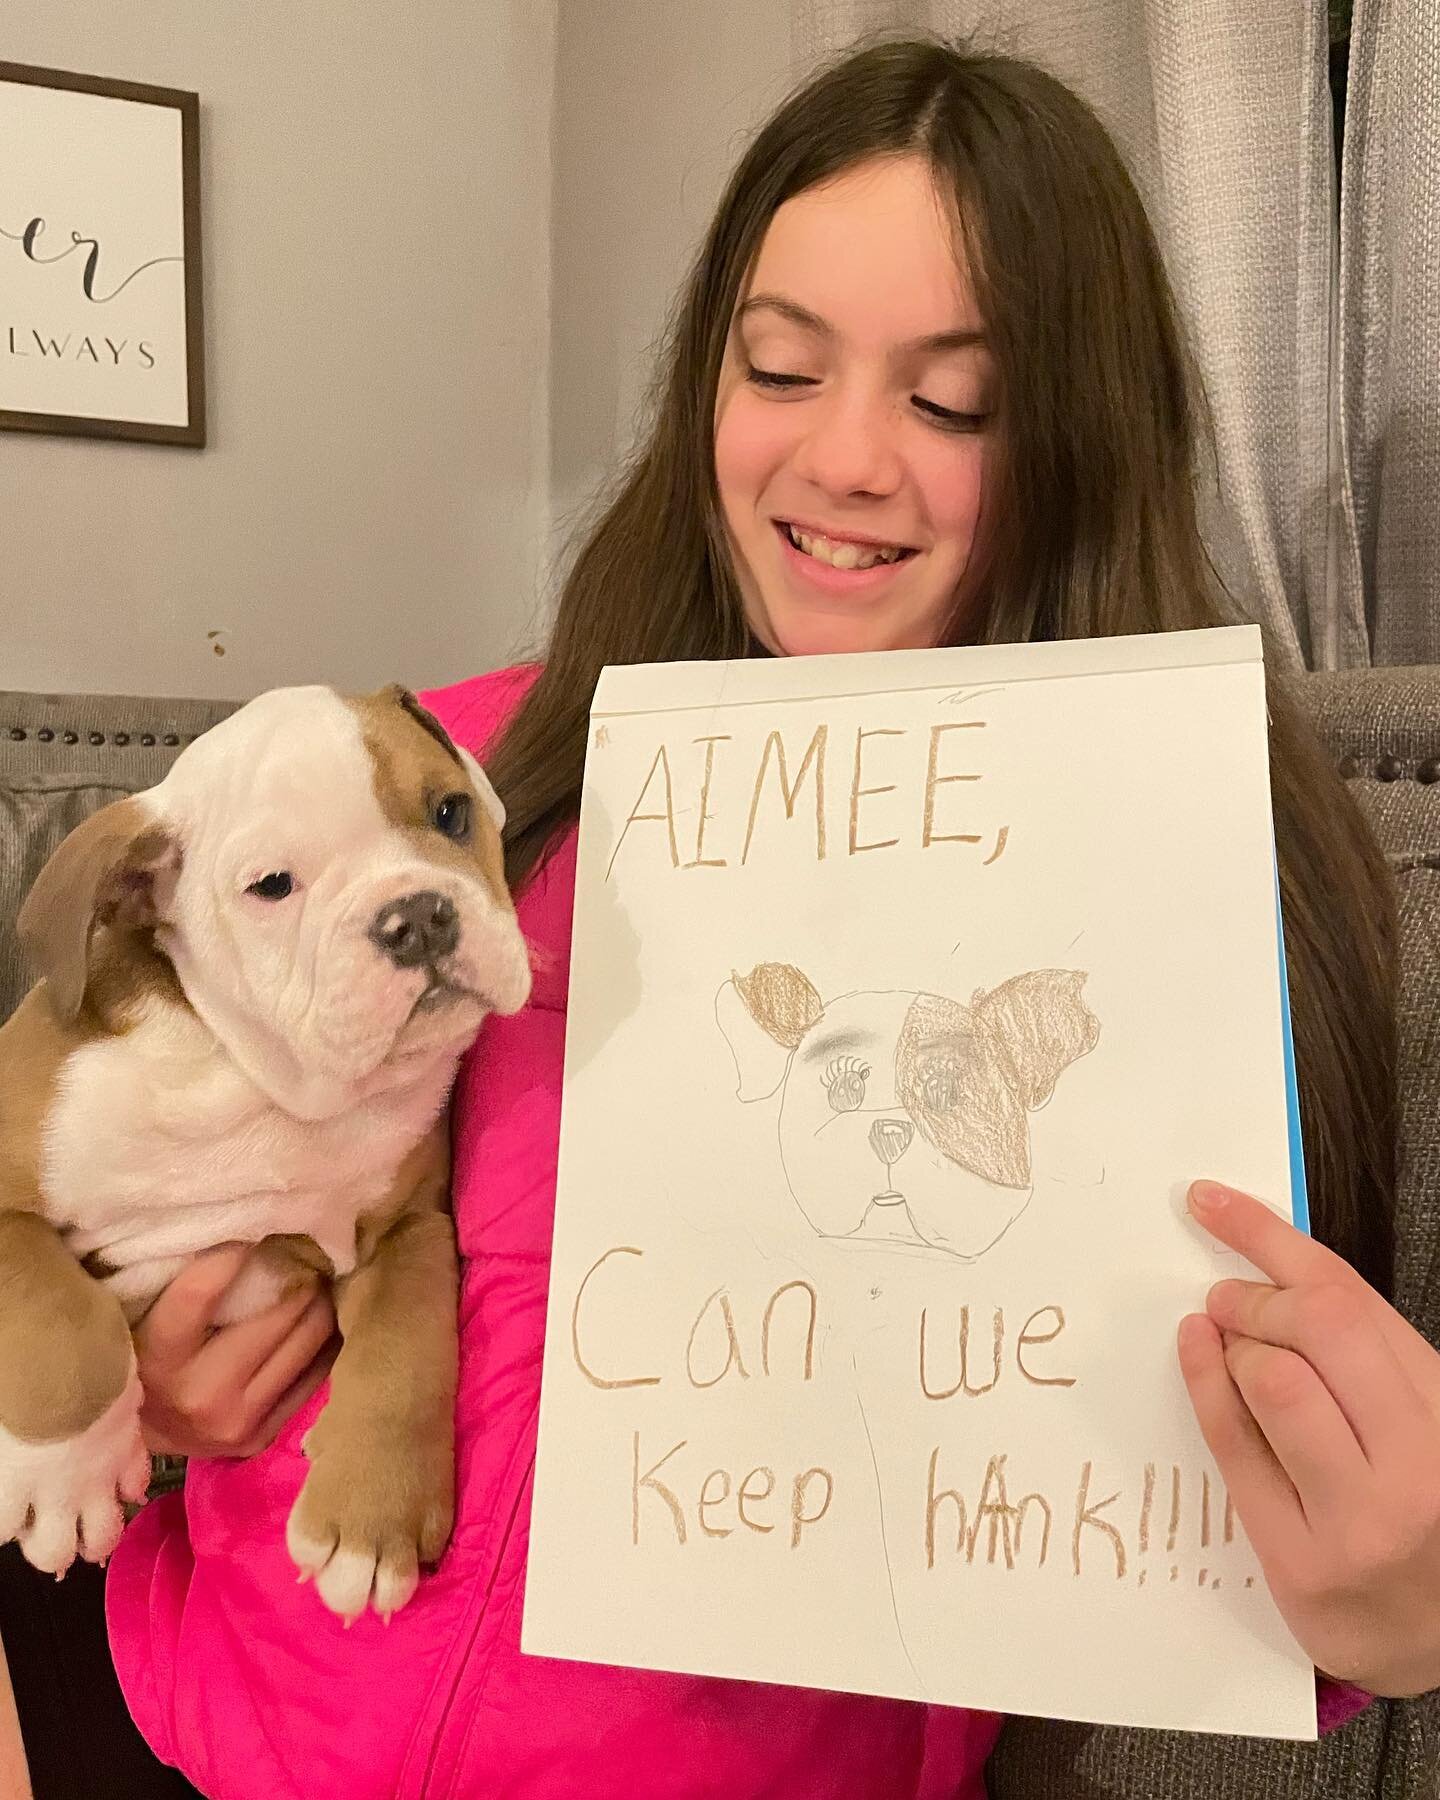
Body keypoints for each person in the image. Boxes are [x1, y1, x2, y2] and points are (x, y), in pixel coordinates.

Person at [107, 37, 1440, 1800]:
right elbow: (103, 1150)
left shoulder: (1184, 891)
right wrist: (148, 1403)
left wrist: (1398, 1617)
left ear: (1078, 443)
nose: (845, 460)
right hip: (210, 1727)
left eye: (952, 402)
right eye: (780, 367)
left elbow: (1179, 1551)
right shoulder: (446, 797)